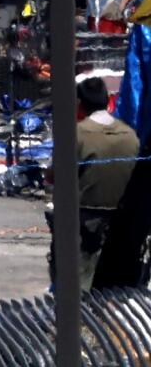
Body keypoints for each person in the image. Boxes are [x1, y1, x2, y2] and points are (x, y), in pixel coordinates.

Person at [72, 75, 144, 290]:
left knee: (77, 273)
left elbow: (54, 176)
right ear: (108, 101)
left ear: (80, 104)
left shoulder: (78, 133)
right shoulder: (130, 135)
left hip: (86, 215)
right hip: (124, 217)